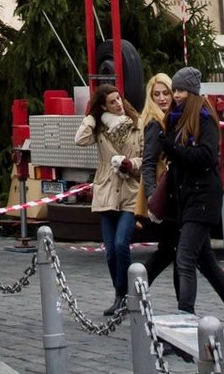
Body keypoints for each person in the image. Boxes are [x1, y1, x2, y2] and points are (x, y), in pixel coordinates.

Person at [159, 67, 224, 337]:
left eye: (180, 90)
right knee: (207, 263)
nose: (176, 95)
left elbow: (207, 155)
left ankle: (185, 322)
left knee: (184, 257)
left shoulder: (204, 117)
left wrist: (173, 148)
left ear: (192, 92)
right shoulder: (175, 119)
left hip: (203, 197)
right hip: (186, 198)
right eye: (174, 90)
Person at [75, 82, 143, 316]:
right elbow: (80, 139)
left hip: (129, 190)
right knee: (110, 251)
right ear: (103, 105)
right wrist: (93, 117)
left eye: (119, 99)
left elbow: (145, 159)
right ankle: (119, 296)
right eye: (112, 101)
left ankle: (125, 294)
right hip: (106, 191)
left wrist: (129, 164)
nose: (118, 104)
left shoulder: (136, 123)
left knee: (121, 244)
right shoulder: (101, 128)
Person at [136, 72, 179, 295]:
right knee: (172, 252)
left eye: (166, 93)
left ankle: (133, 292)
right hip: (164, 195)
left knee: (170, 252)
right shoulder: (155, 123)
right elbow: (149, 163)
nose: (162, 98)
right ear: (150, 98)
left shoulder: (168, 118)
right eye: (157, 94)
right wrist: (153, 198)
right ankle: (133, 291)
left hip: (170, 193)